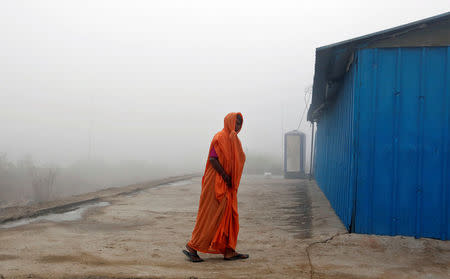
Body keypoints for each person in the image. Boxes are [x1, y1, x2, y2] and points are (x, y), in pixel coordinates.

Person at [183, 112, 248, 262]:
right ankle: (193, 246)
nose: (237, 126)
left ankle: (228, 250)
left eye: (239, 123)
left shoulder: (235, 141)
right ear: (229, 122)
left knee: (229, 215)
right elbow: (213, 159)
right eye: (235, 123)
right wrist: (226, 176)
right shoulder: (220, 137)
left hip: (228, 185)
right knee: (211, 217)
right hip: (216, 184)